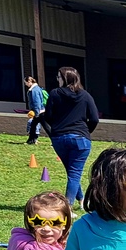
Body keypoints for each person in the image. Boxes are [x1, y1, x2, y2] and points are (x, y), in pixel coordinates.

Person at [45, 67, 99, 208]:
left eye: (59, 77)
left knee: (72, 172)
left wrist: (58, 126)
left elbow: (48, 116)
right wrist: (86, 131)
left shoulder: (55, 94)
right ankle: (69, 207)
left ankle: (79, 201)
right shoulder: (85, 95)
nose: (57, 80)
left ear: (65, 79)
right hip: (80, 139)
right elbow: (94, 118)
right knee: (74, 173)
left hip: (59, 138)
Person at [24, 76, 51, 145]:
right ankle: (31, 140)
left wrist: (36, 113)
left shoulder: (34, 90)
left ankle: (55, 140)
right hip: (41, 111)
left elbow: (36, 102)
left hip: (39, 112)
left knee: (46, 127)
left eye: (26, 83)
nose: (26, 84)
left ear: (29, 82)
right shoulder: (38, 88)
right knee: (33, 125)